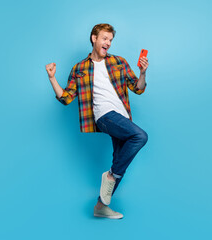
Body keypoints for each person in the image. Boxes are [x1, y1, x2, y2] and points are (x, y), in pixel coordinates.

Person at [45, 23, 149, 219]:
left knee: (120, 164)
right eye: (105, 38)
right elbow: (66, 98)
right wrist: (52, 78)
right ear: (94, 38)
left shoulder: (119, 62)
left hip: (122, 116)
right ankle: (109, 176)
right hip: (104, 115)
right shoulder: (80, 68)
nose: (108, 43)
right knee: (140, 137)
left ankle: (101, 206)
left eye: (110, 40)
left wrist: (142, 73)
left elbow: (138, 88)